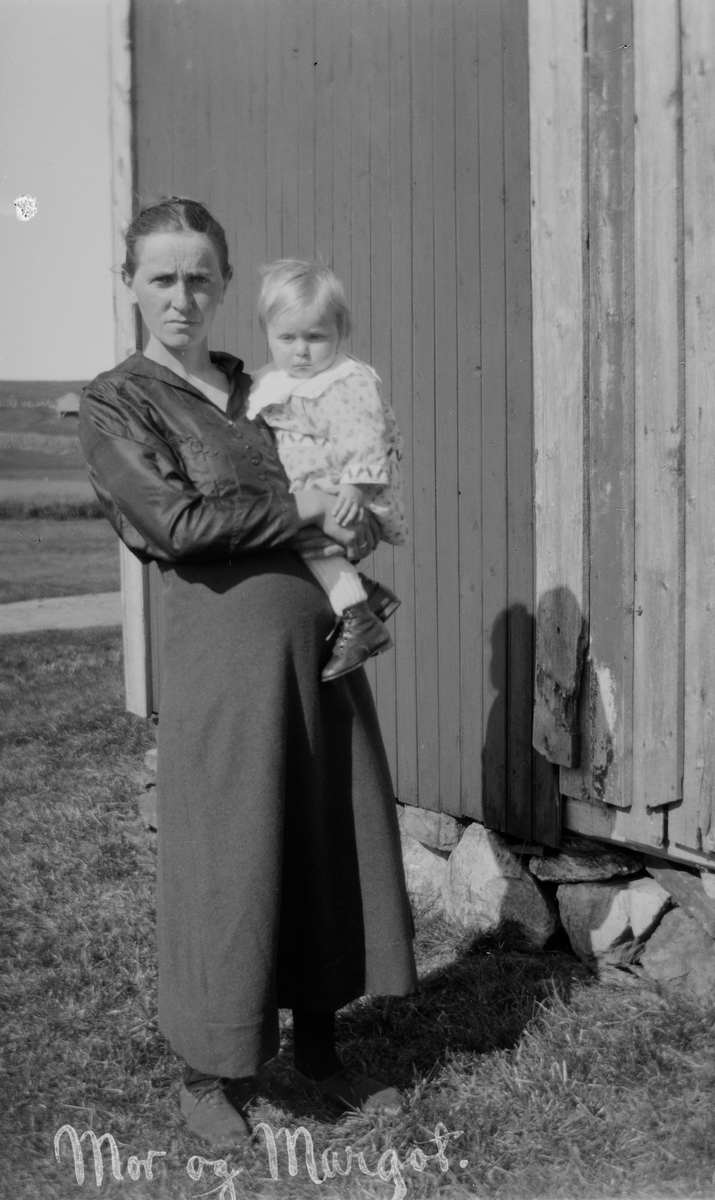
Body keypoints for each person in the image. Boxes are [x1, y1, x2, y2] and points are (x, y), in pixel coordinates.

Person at [79, 197, 416, 1151]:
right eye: (161, 277)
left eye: (198, 277)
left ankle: (319, 1051)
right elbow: (173, 526)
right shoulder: (119, 401)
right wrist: (305, 503)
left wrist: (351, 510)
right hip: (222, 656)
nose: (181, 296)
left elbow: (344, 460)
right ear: (132, 285)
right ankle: (209, 1072)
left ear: (224, 283)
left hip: (317, 649)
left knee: (320, 836)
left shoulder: (263, 382)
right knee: (225, 853)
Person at [247, 259, 408, 682]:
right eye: (286, 337)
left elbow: (365, 436)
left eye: (315, 337)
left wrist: (354, 487)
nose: (300, 350)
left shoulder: (343, 380)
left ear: (340, 332)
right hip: (313, 483)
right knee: (299, 537)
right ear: (267, 332)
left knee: (313, 541)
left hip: (346, 484)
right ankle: (365, 594)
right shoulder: (274, 379)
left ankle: (360, 617)